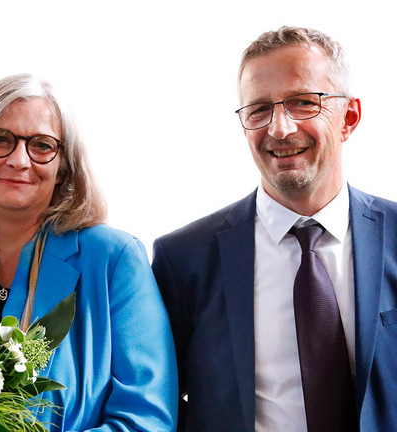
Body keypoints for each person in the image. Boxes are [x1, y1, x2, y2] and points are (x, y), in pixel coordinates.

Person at [0, 73, 177, 431]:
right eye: (0, 139)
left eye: (42, 145)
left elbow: (146, 420)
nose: (19, 160)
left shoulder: (114, 259)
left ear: (63, 168)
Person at [152, 26, 397, 432]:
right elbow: (157, 408)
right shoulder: (182, 261)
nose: (279, 128)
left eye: (303, 102)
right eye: (259, 110)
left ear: (348, 118)